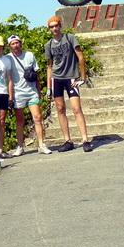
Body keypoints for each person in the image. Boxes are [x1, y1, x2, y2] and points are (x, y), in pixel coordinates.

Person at [44, 15, 93, 152]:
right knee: (60, 109)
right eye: (51, 26)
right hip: (56, 79)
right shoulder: (48, 45)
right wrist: (48, 87)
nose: (54, 28)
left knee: (76, 108)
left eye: (56, 25)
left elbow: (81, 57)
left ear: (60, 26)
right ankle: (67, 140)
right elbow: (49, 66)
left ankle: (85, 140)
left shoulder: (70, 38)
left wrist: (82, 77)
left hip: (71, 77)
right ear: (49, 29)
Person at [5, 35, 52, 155]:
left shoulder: (30, 55)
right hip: (18, 93)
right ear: (9, 46)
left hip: (32, 92)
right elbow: (8, 78)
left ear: (21, 43)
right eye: (13, 44)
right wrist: (10, 96)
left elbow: (36, 74)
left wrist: (39, 90)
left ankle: (41, 144)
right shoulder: (8, 58)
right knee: (20, 120)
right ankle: (20, 146)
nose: (15, 45)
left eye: (17, 43)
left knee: (37, 117)